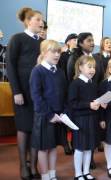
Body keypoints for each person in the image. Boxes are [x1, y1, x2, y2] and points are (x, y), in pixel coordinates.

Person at [6, 7, 43, 179]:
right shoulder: (17, 39)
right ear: (28, 21)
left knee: (35, 129)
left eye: (42, 20)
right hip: (22, 92)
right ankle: (23, 167)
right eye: (38, 20)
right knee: (23, 128)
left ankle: (33, 167)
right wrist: (16, 91)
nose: (41, 23)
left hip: (37, 92)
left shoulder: (42, 43)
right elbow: (11, 66)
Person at [29, 40, 67, 180]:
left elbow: (64, 94)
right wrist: (50, 115)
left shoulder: (60, 72)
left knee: (53, 147)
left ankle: (52, 174)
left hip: (58, 116)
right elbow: (36, 97)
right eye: (53, 52)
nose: (57, 55)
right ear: (44, 53)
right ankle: (45, 176)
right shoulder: (37, 71)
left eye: (59, 52)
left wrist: (62, 112)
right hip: (45, 116)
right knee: (44, 148)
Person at [68, 55, 100, 180]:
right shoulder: (75, 83)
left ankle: (86, 172)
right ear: (80, 67)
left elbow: (95, 99)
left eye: (94, 67)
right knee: (80, 148)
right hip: (80, 120)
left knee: (89, 148)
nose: (92, 70)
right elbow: (72, 103)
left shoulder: (93, 83)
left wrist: (99, 103)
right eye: (89, 67)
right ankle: (78, 174)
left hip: (92, 118)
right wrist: (89, 105)